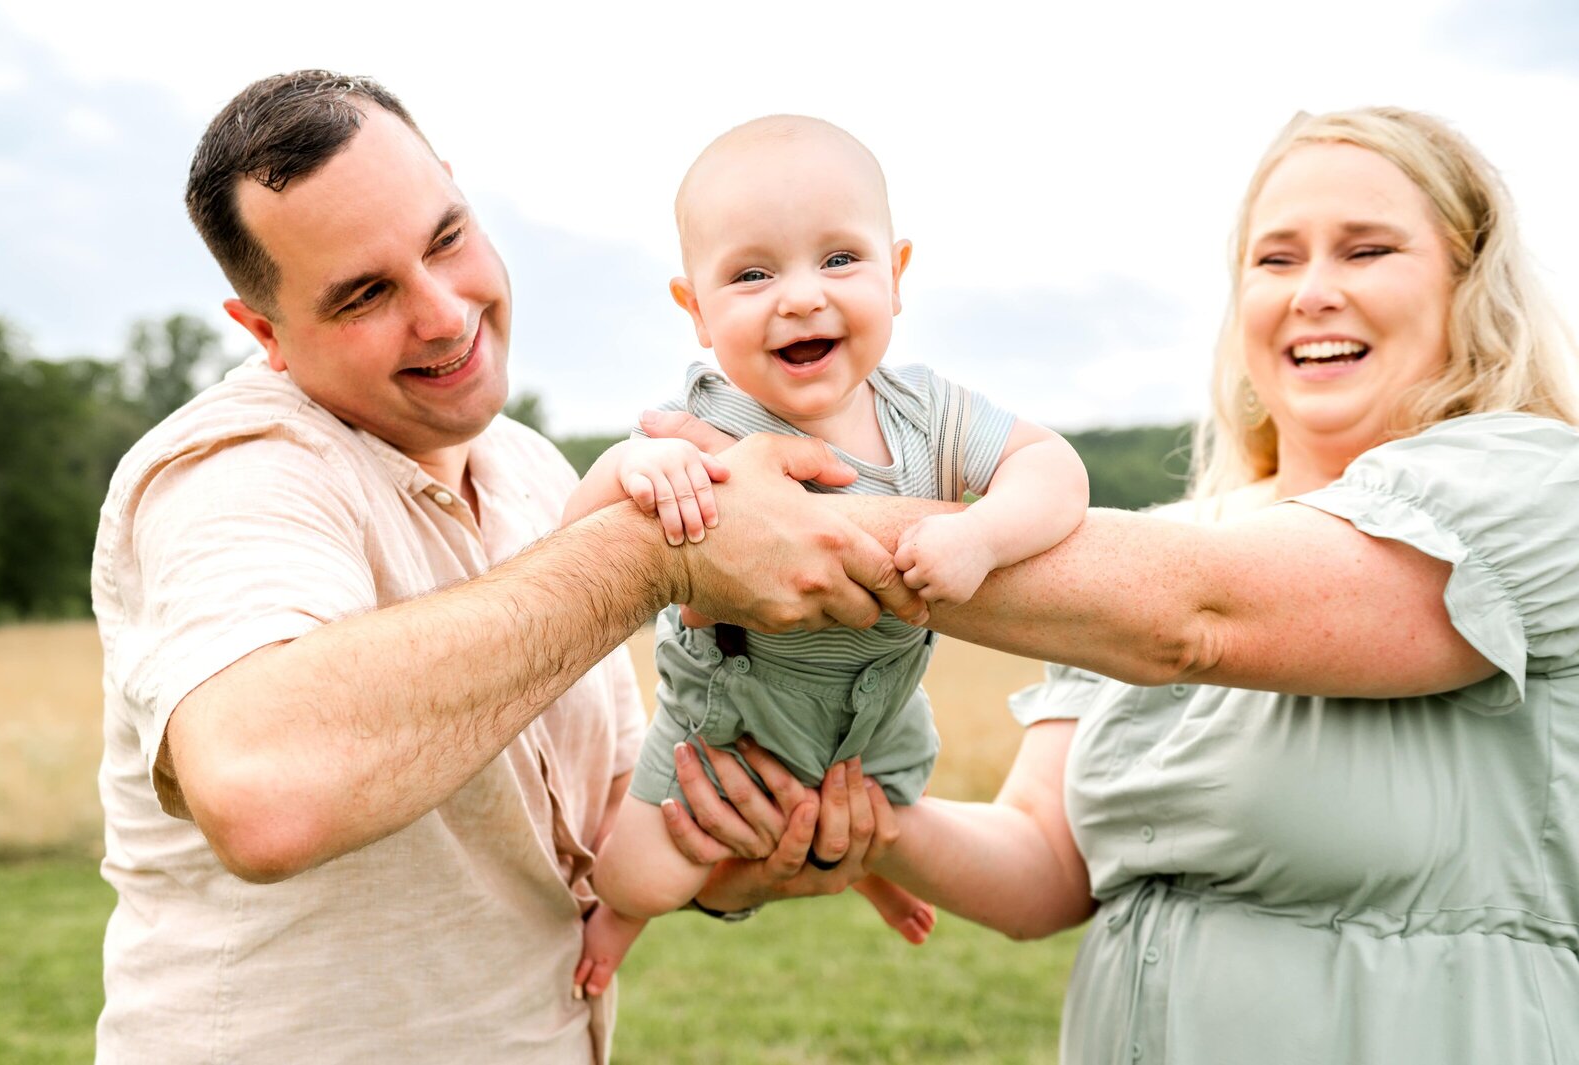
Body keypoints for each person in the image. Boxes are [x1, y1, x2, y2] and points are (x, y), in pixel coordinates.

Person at [653, 106, 1579, 1064]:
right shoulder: (1148, 547)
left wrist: (755, 519)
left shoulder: (1536, 488)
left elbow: (1198, 616)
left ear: (1467, 280)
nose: (1313, 292)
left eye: (1367, 250)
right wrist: (856, 818)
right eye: (1276, 259)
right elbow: (1047, 866)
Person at [91, 71, 927, 1065]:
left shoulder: (529, 467)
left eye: (446, 238)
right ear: (264, 333)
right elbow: (267, 796)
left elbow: (614, 811)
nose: (444, 315)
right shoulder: (234, 475)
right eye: (365, 294)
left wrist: (751, 847)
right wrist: (649, 556)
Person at [561, 115, 1090, 997]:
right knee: (642, 876)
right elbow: (575, 541)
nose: (800, 297)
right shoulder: (706, 426)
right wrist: (632, 467)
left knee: (880, 819)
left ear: (899, 274)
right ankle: (611, 927)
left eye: (840, 260)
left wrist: (980, 534)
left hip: (876, 731)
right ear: (694, 309)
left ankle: (871, 867)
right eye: (753, 273)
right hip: (724, 736)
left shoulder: (932, 415)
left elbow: (1055, 470)